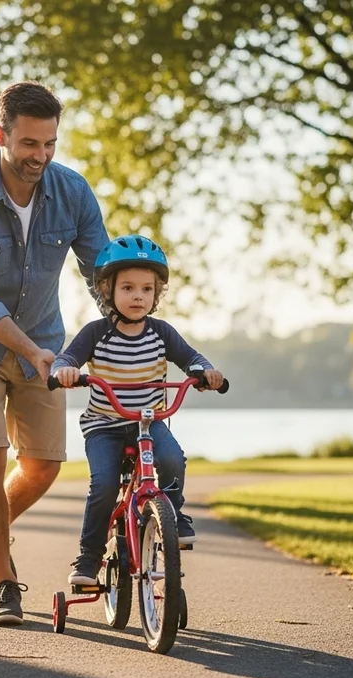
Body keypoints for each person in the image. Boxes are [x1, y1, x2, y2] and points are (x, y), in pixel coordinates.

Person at [0, 81, 110, 626]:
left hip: (45, 340)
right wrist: (34, 353)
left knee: (43, 466)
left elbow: (101, 270)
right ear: (1, 135)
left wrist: (127, 327)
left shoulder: (72, 192)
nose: (41, 156)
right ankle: (4, 582)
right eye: (30, 144)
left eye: (50, 143)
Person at [50, 234, 224, 585]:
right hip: (105, 424)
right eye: (128, 288)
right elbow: (68, 357)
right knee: (103, 484)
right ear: (106, 289)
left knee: (173, 458)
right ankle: (88, 557)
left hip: (148, 422)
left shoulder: (161, 333)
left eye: (147, 289)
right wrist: (64, 371)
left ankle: (173, 513)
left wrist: (205, 373)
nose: (138, 296)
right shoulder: (96, 333)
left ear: (157, 294)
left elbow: (191, 357)